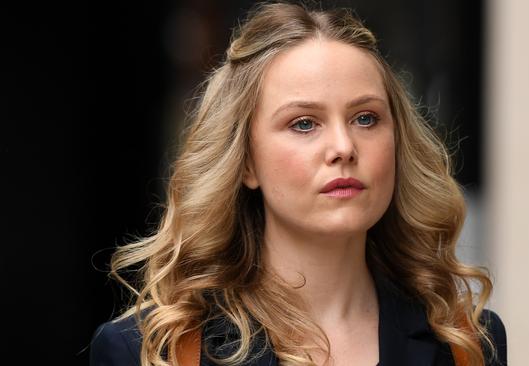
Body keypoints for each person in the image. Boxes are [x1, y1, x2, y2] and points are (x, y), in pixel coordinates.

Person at [89, 2, 506, 366]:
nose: (343, 147)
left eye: (366, 118)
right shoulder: (152, 350)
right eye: (303, 123)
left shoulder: (465, 343)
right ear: (247, 162)